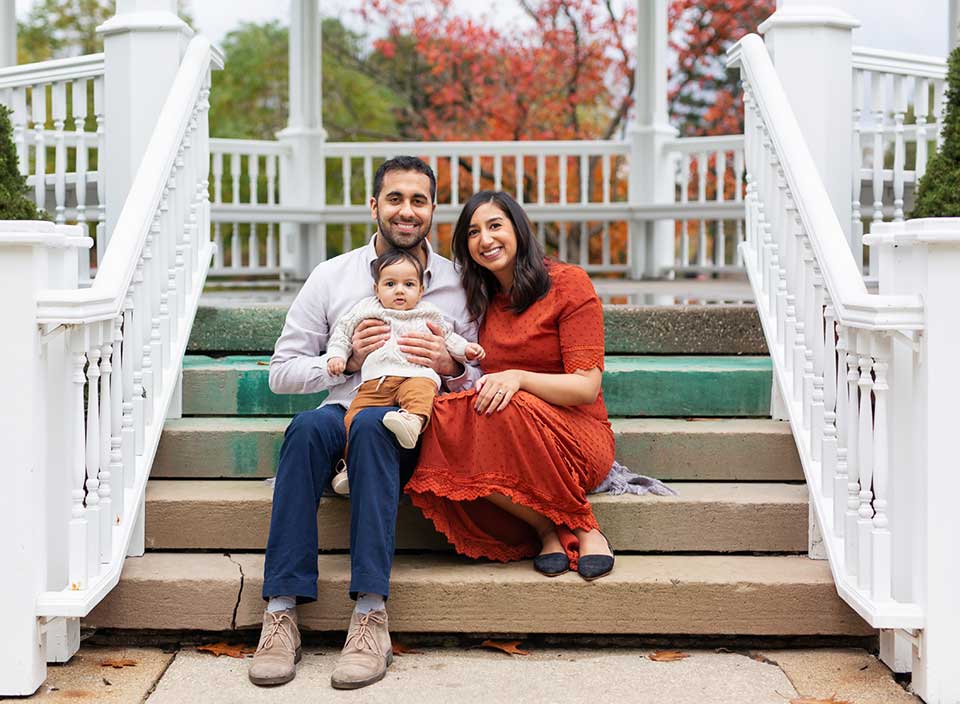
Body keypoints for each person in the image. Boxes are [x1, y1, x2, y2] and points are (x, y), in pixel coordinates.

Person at [248, 156, 479, 691]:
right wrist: (347, 362)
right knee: (305, 430)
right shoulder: (332, 276)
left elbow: (479, 370)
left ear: (433, 210)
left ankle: (370, 614)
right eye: (394, 198)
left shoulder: (454, 282)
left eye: (418, 200)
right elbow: (281, 372)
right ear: (374, 206)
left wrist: (449, 365)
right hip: (344, 405)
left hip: (413, 420)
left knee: (377, 429)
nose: (406, 210)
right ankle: (281, 611)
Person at [406, 190, 616, 581]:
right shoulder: (480, 299)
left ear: (518, 229)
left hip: (578, 435)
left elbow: (586, 387)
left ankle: (585, 525)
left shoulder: (569, 284)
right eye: (473, 232)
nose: (485, 239)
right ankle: (546, 529)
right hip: (509, 434)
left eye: (495, 226)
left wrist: (517, 378)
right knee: (441, 417)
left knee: (509, 404)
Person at [325, 248, 484, 493]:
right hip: (376, 381)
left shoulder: (428, 312)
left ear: (421, 290)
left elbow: (448, 338)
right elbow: (343, 334)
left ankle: (413, 421)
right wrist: (338, 356)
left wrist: (467, 350)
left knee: (421, 393)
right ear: (377, 289)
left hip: (416, 374)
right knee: (352, 420)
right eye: (390, 284)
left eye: (408, 284)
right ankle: (348, 466)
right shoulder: (366, 310)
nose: (400, 290)